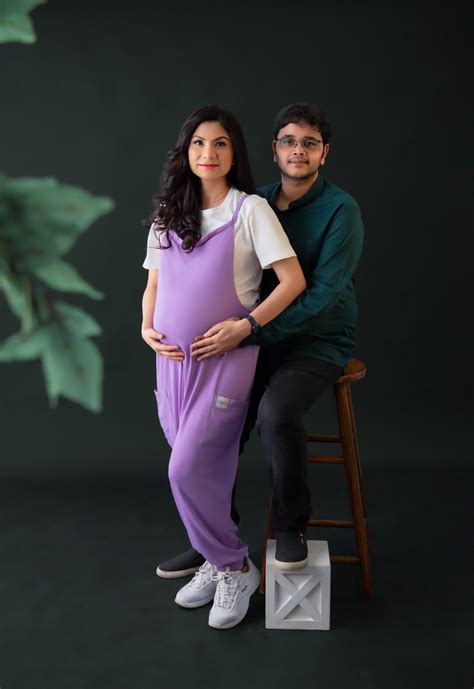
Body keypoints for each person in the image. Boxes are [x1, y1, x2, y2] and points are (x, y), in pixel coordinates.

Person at [156, 102, 365, 577]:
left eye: (310, 143)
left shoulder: (342, 211)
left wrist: (248, 330)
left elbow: (322, 295)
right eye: (289, 141)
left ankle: (292, 524)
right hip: (254, 338)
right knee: (214, 427)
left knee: (274, 413)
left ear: (324, 153)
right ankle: (213, 537)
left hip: (316, 341)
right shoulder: (257, 202)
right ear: (274, 150)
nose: (298, 150)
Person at [141, 104, 306, 629]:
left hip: (225, 362)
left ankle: (235, 567)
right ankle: (217, 560)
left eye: (220, 143)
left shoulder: (250, 211)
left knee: (185, 469)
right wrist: (145, 328)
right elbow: (154, 283)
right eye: (198, 143)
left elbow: (292, 281)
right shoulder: (168, 214)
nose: (208, 153)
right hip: (171, 366)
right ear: (185, 152)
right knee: (200, 471)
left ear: (235, 154)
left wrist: (246, 326)